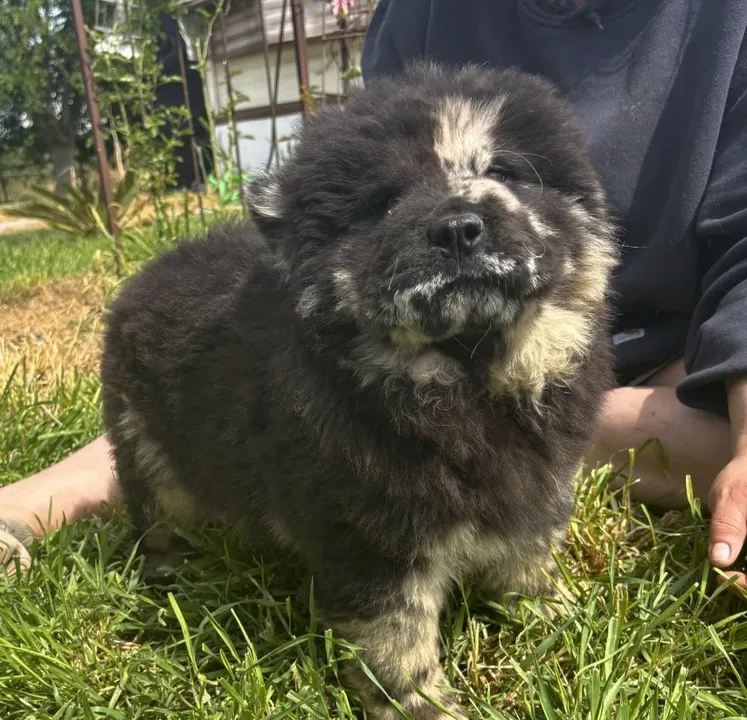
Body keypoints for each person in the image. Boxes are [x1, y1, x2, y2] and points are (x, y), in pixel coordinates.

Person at [2, 0, 746, 593]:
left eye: (510, 174)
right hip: (411, 348)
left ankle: (513, 492)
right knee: (310, 417)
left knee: (702, 441)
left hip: (671, 345)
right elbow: (360, 174)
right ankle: (117, 470)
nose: (463, 212)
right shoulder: (421, 10)